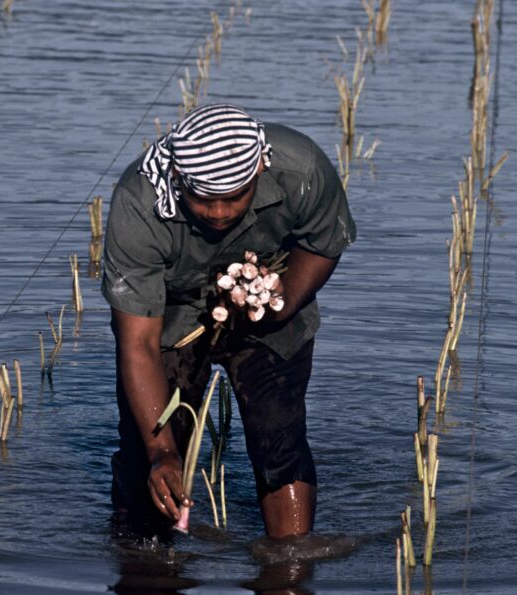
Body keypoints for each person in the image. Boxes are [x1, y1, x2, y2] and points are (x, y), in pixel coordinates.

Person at [102, 103, 355, 538]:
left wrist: (281, 301)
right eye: (202, 199)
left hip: (269, 294)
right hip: (172, 314)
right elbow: (139, 343)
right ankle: (147, 571)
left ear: (258, 170)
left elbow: (323, 243)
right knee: (151, 454)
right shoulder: (139, 204)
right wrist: (162, 452)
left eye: (235, 196)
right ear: (179, 180)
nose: (218, 212)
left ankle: (289, 565)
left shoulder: (303, 168)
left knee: (280, 440)